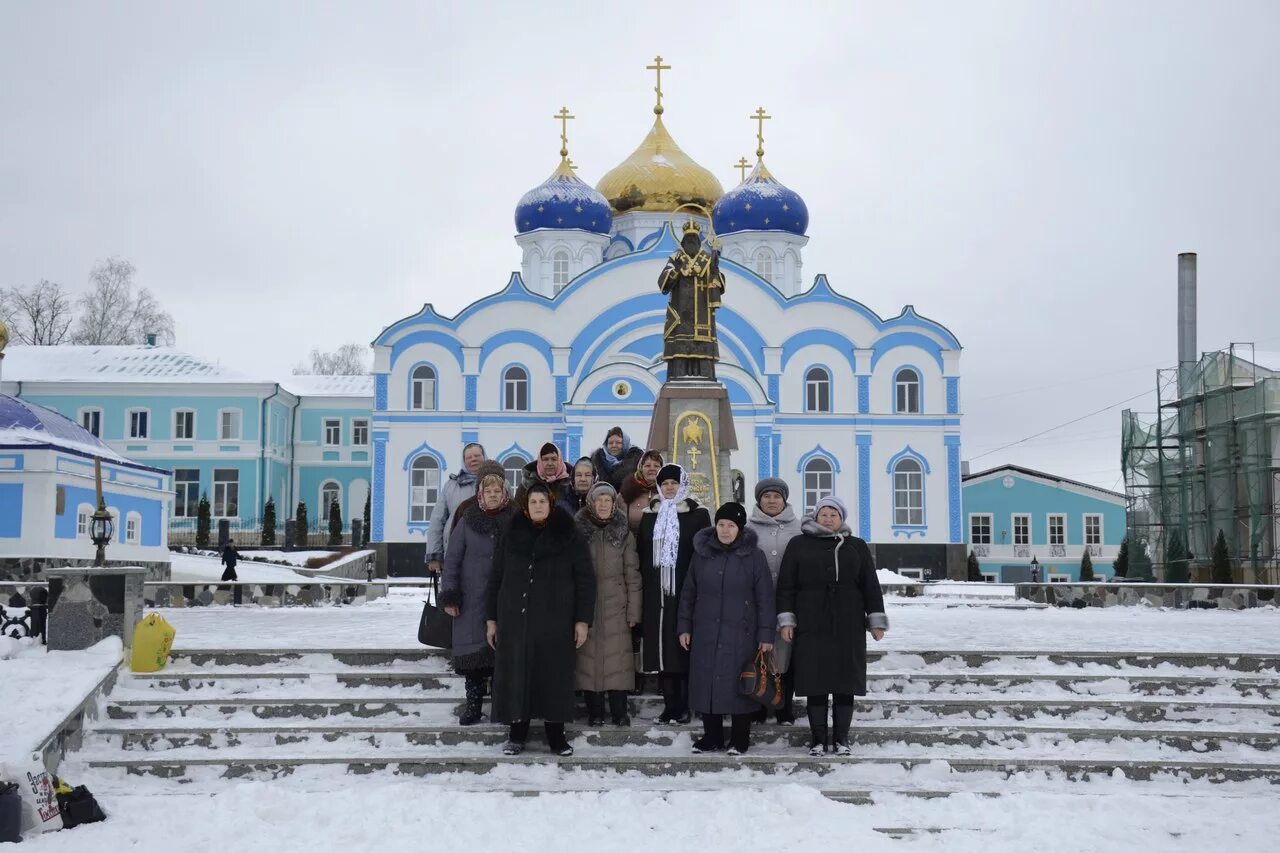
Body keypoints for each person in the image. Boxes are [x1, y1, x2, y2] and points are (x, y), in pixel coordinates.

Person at [486, 483, 596, 756]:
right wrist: (491, 619)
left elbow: (585, 580)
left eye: (542, 502)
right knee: (517, 674)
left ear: (551, 504)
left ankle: (556, 737)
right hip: (515, 619)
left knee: (553, 677)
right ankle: (516, 734)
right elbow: (495, 578)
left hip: (555, 621)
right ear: (526, 506)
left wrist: (582, 621)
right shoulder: (512, 533)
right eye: (533, 502)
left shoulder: (568, 534)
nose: (537, 506)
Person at [777, 496, 888, 757]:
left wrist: (876, 620)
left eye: (833, 514)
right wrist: (786, 619)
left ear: (841, 519)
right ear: (815, 517)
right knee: (815, 681)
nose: (828, 518)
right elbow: (786, 586)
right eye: (823, 514)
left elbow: (870, 585)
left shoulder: (856, 546)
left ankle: (841, 739)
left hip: (848, 623)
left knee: (844, 681)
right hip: (811, 621)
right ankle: (817, 739)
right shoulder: (799, 544)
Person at [678, 502, 775, 755]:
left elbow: (765, 598)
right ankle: (712, 737)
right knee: (707, 683)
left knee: (739, 685)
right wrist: (684, 627)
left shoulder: (754, 557)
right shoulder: (702, 554)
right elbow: (689, 593)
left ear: (740, 529)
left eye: (731, 525)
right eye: (721, 524)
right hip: (706, 631)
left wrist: (766, 634)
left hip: (742, 632)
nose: (725, 530)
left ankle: (740, 739)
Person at [440, 461, 516, 725]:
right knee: (474, 658)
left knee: (502, 657)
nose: (493, 495)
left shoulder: (515, 518)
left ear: (505, 492)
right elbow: (452, 559)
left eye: (498, 490)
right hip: (471, 599)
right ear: (480, 494)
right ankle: (473, 706)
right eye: (488, 490)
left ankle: (500, 706)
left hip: (506, 598)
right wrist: (450, 594)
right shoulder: (467, 519)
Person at [637, 464, 711, 724]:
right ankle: (671, 705)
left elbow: (705, 553)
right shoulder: (649, 515)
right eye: (665, 483)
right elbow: (641, 554)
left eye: (674, 483)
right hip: (656, 592)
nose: (669, 487)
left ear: (683, 485)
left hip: (686, 589)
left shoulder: (698, 515)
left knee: (685, 646)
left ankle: (690, 704)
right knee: (662, 649)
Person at [574, 482, 642, 727]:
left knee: (619, 661)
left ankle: (619, 711)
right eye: (599, 500)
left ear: (614, 504)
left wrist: (634, 610)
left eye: (608, 500)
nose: (603, 504)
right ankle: (595, 712)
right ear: (591, 503)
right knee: (588, 660)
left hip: (617, 605)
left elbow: (632, 574)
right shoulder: (578, 531)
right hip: (587, 606)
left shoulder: (624, 532)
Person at [745, 477, 803, 726]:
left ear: (784, 499)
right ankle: (760, 705)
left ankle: (784, 708)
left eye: (776, 496)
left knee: (786, 654)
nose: (771, 500)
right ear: (759, 500)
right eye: (766, 496)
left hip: (790, 600)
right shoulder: (747, 529)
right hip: (756, 601)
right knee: (760, 651)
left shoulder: (798, 528)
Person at [427, 442, 487, 573]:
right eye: (469, 457)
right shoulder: (451, 486)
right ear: (463, 461)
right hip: (456, 553)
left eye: (477, 455)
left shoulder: (500, 483)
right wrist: (434, 555)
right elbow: (437, 520)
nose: (473, 459)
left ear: (485, 457)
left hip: (489, 554)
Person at [515, 442, 573, 509]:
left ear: (559, 461)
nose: (550, 463)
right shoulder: (528, 483)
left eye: (554, 459)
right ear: (539, 461)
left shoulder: (570, 483)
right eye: (545, 459)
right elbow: (517, 509)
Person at [620, 450, 663, 534]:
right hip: (632, 544)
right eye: (647, 465)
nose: (652, 469)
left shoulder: (667, 493)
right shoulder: (626, 492)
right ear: (641, 468)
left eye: (656, 466)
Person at [591, 427, 643, 492]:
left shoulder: (635, 460)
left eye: (618, 443)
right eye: (610, 443)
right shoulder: (597, 461)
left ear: (625, 444)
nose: (614, 445)